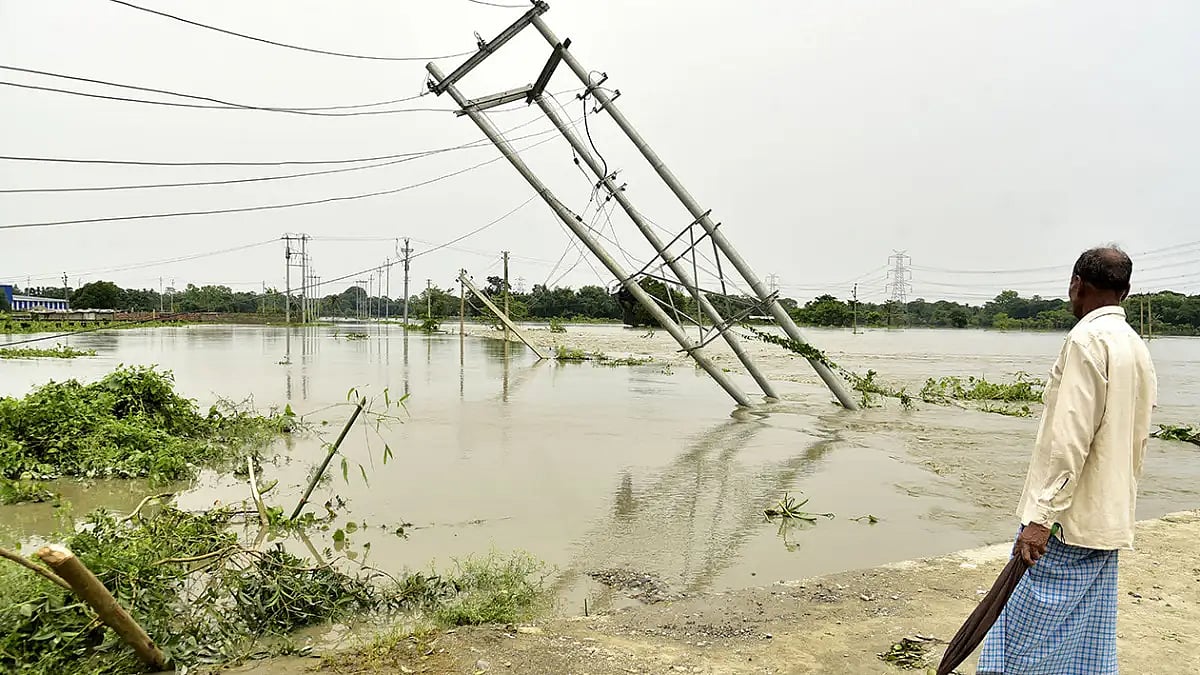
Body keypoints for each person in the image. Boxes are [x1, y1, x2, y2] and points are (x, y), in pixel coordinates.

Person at [977, 247, 1157, 675]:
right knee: (1085, 638)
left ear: (1077, 284)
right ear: (1125, 292)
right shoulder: (1134, 345)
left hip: (1065, 523)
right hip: (1107, 520)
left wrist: (1041, 518)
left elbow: (1070, 439)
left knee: (1019, 637)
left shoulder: (1086, 340)